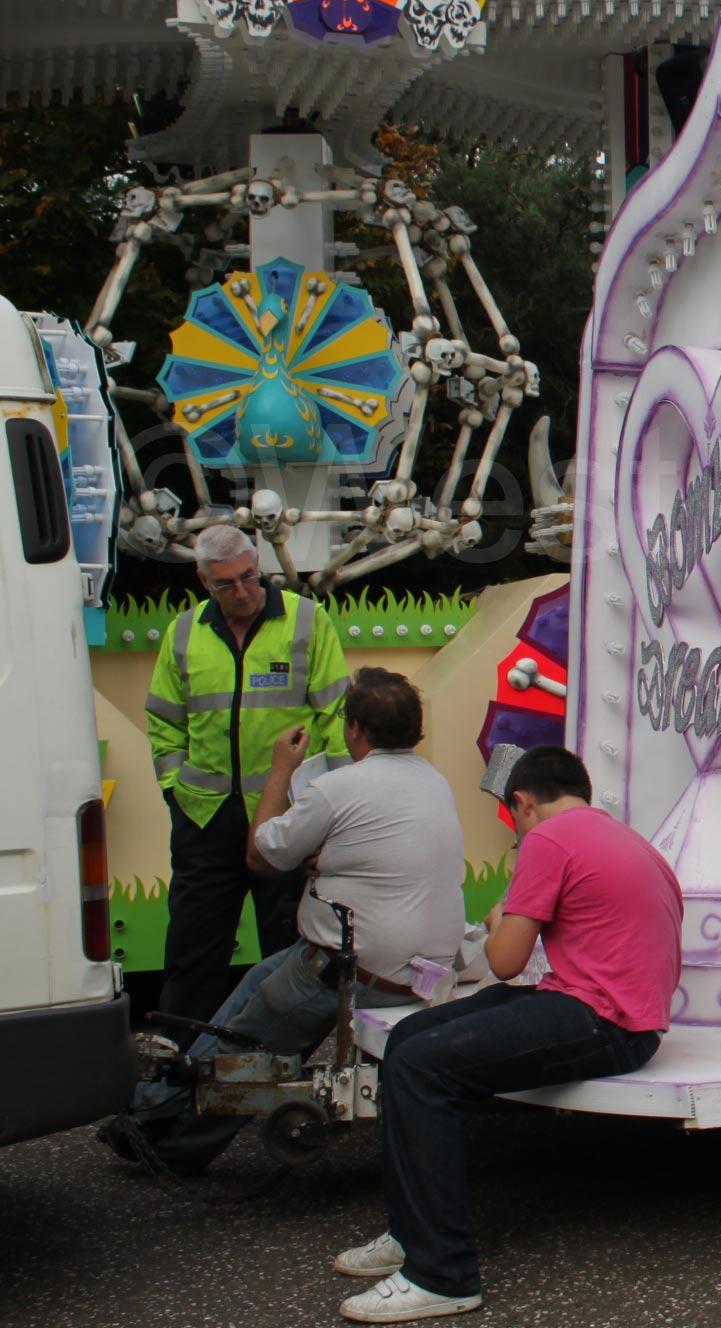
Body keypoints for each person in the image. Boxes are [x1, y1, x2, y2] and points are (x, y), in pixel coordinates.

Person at [335, 745, 682, 1323]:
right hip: (622, 1016)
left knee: (421, 1066)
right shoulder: (625, 838)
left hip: (603, 1020)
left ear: (522, 802)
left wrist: (499, 919)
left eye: (511, 819)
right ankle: (410, 1231)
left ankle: (441, 1274)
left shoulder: (548, 839)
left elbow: (503, 960)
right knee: (410, 1036)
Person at [102, 668, 466, 1173]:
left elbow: (261, 856)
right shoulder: (434, 782)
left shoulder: (337, 787)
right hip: (417, 969)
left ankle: (167, 1145)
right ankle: (155, 1102)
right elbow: (377, 851)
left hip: (350, 970)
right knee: (255, 980)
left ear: (354, 729)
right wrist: (326, 858)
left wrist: (279, 770)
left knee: (244, 1047)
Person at [146, 525, 351, 1033]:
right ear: (203, 580)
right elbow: (164, 722)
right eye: (225, 584)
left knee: (289, 950)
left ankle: (279, 1061)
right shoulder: (183, 632)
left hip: (287, 816)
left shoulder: (307, 620)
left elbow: (337, 718)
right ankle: (179, 1061)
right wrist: (174, 791)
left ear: (258, 563)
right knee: (193, 951)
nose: (242, 592)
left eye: (249, 576)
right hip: (204, 818)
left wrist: (338, 812)